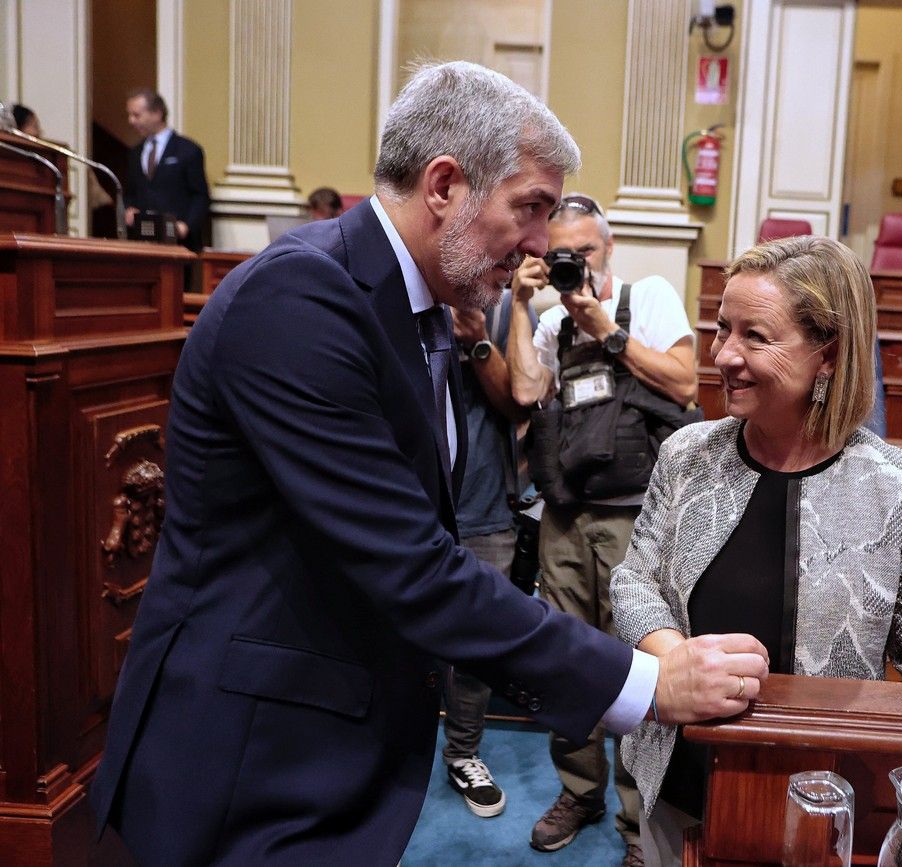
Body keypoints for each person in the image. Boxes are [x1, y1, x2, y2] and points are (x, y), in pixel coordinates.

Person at [90, 60, 769, 867]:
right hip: (249, 765)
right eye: (530, 208)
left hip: (325, 746)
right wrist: (644, 683)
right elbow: (414, 565)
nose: (539, 245)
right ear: (444, 184)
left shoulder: (424, 308)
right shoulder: (300, 301)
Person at [609, 236, 902, 867]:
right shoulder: (688, 456)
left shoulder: (900, 489)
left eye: (756, 336)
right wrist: (677, 659)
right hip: (681, 779)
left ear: (827, 355)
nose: (724, 356)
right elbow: (635, 583)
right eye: (723, 329)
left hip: (825, 799)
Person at [507, 193, 698, 864]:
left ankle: (636, 817)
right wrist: (524, 306)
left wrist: (605, 327)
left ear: (607, 249)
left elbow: (683, 382)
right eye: (559, 252)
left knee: (639, 669)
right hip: (564, 513)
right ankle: (578, 790)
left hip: (635, 516)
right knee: (564, 659)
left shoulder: (647, 297)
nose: (574, 263)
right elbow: (526, 394)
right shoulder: (552, 321)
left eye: (584, 251)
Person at [438, 293, 534, 819]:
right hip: (409, 502)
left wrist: (476, 339)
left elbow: (520, 402)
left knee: (478, 645)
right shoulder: (400, 297)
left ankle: (463, 752)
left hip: (485, 501)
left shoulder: (506, 307)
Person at [123, 88, 210, 252]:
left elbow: (200, 196)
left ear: (156, 113)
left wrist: (187, 225)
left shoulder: (188, 150)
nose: (131, 121)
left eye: (136, 115)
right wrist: (129, 209)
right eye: (130, 115)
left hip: (179, 242)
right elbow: (130, 193)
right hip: (143, 242)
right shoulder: (135, 152)